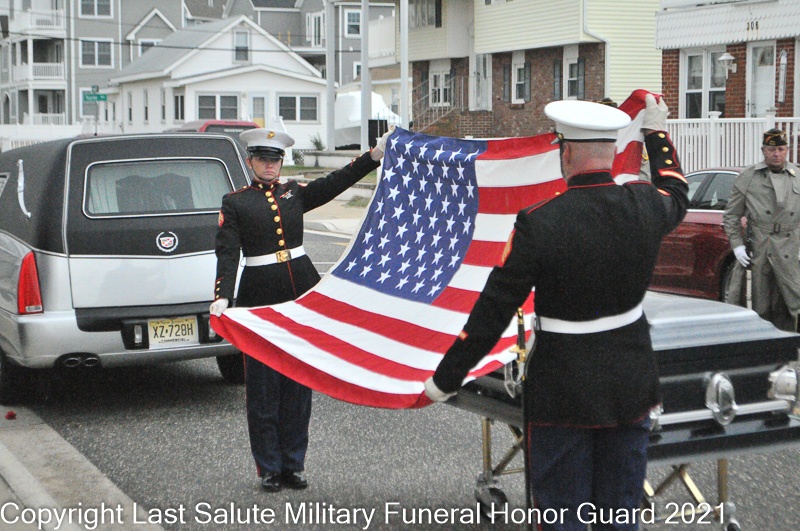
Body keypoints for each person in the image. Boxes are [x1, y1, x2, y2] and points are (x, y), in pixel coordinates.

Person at [424, 95, 688, 530]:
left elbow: (495, 308)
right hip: (630, 382)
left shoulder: (540, 221)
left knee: (562, 515)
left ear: (566, 154)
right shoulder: (644, 205)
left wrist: (447, 378)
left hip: (563, 388)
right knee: (621, 511)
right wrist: (656, 132)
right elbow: (675, 188)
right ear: (611, 152)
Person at [210, 127, 391, 492]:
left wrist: (374, 156)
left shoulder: (293, 193)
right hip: (259, 297)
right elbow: (227, 253)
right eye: (263, 159)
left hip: (300, 294)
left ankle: (294, 464)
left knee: (297, 385)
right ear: (250, 161)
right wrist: (223, 295)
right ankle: (269, 467)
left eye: (275, 160)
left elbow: (335, 182)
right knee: (263, 388)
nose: (270, 166)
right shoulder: (235, 202)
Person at [723, 128, 800, 332]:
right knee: (760, 302)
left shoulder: (797, 175)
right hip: (761, 246)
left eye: (781, 149)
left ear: (787, 150)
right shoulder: (749, 176)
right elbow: (731, 215)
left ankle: (790, 344)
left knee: (791, 302)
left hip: (791, 246)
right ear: (763, 150)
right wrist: (737, 246)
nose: (777, 154)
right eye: (771, 149)